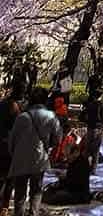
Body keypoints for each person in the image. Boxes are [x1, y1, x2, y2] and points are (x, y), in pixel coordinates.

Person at [6, 86, 62, 216]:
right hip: (40, 158)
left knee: (20, 191)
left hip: (21, 158)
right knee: (36, 190)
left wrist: (14, 154)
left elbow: (12, 139)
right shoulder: (51, 116)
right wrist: (48, 146)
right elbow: (58, 138)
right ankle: (33, 213)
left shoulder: (22, 117)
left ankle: (18, 213)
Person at [42, 138, 93, 206]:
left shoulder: (82, 163)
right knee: (48, 191)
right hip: (71, 190)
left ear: (75, 153)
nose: (66, 157)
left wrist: (62, 181)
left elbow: (75, 183)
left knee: (55, 197)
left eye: (68, 155)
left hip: (78, 194)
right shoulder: (74, 162)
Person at [0, 88, 23, 216]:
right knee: (9, 179)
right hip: (9, 148)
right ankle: (4, 206)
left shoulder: (2, 104)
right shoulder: (15, 109)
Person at [83, 80, 103, 168]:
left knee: (87, 148)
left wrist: (87, 121)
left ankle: (85, 166)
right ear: (101, 96)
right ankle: (93, 168)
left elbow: (82, 115)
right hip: (98, 128)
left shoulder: (90, 105)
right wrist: (102, 122)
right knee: (96, 149)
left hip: (90, 127)